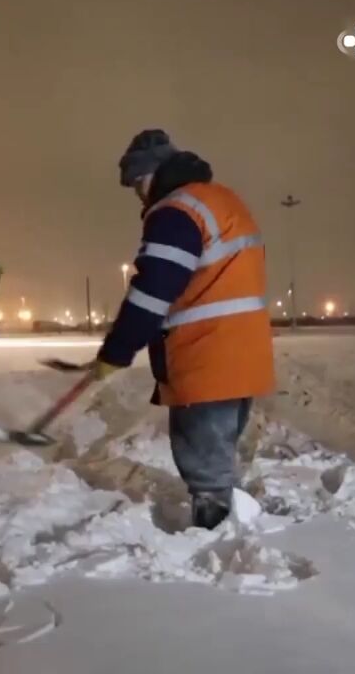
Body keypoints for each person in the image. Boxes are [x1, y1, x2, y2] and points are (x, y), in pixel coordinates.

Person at [88, 130, 274, 529]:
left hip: (206, 354)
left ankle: (217, 534)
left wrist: (116, 350)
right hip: (244, 352)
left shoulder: (176, 211)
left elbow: (153, 289)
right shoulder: (222, 200)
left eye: (137, 183)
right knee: (217, 451)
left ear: (151, 174)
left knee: (204, 461)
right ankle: (230, 524)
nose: (139, 194)